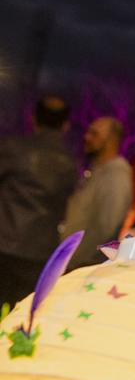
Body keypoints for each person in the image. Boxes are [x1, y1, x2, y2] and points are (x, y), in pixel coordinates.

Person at [0, 95, 78, 307]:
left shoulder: (12, 149)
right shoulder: (71, 163)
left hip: (4, 246)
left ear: (33, 119)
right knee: (19, 315)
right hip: (41, 253)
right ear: (65, 126)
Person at [60, 115, 133, 269]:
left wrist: (75, 262)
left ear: (111, 141)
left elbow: (105, 229)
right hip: (71, 263)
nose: (86, 137)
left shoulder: (116, 175)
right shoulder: (97, 170)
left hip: (82, 267)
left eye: (94, 134)